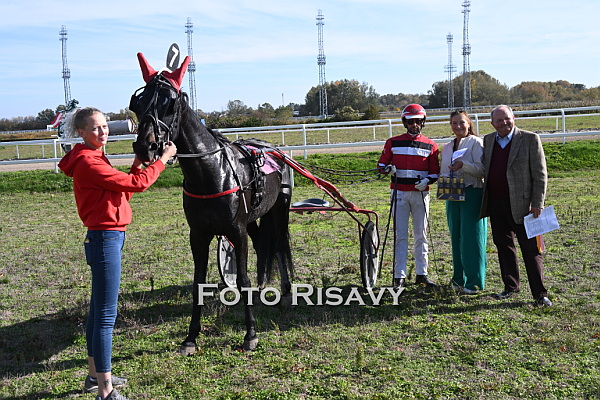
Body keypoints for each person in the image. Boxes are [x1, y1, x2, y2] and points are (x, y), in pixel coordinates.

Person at [58, 107, 177, 400]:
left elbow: (123, 191)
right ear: (81, 133)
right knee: (105, 316)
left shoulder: (94, 156)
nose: (103, 132)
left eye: (104, 126)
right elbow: (138, 184)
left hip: (107, 236)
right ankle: (105, 390)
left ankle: (93, 377)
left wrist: (137, 162)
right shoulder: (89, 162)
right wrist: (163, 160)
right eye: (95, 128)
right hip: (105, 238)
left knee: (97, 311)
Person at [480, 105, 552, 307]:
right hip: (496, 203)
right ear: (492, 123)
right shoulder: (488, 140)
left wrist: (537, 203)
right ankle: (511, 286)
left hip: (524, 206)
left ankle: (540, 294)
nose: (504, 123)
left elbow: (540, 174)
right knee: (503, 247)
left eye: (507, 118)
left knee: (531, 250)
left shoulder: (530, 139)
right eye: (499, 120)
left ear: (514, 118)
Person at [378, 104, 440, 289]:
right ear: (405, 123)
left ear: (423, 122)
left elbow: (435, 172)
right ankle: (399, 276)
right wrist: (388, 169)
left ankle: (422, 274)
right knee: (400, 235)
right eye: (411, 122)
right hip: (399, 193)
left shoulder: (431, 145)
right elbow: (381, 166)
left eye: (418, 121)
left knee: (421, 234)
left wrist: (427, 180)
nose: (415, 125)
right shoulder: (392, 143)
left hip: (421, 194)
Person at [439, 109, 487, 295]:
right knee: (456, 236)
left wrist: (463, 166)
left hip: (471, 192)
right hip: (452, 193)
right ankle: (458, 279)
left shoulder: (475, 142)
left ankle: (474, 282)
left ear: (469, 124)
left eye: (461, 122)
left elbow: (482, 169)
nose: (458, 126)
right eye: (454, 123)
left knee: (471, 237)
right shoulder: (447, 147)